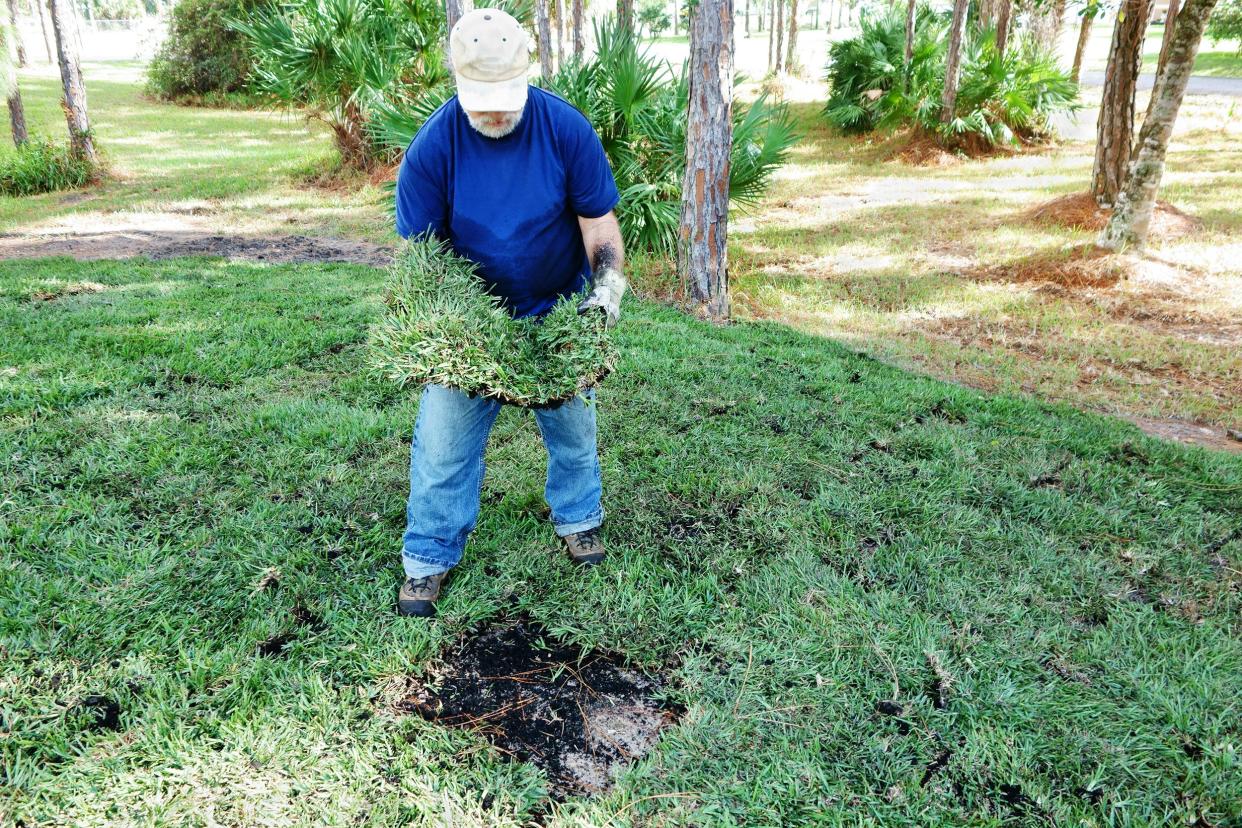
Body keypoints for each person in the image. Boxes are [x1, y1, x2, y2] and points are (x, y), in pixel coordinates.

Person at [392, 7, 627, 618]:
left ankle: (579, 519)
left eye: (504, 97)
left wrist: (607, 287)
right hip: (473, 325)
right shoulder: (431, 150)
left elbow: (598, 221)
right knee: (442, 445)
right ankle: (428, 556)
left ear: (528, 73)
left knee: (574, 432)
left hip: (556, 311)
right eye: (480, 100)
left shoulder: (565, 130)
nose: (494, 112)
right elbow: (421, 258)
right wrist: (449, 331)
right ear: (456, 84)